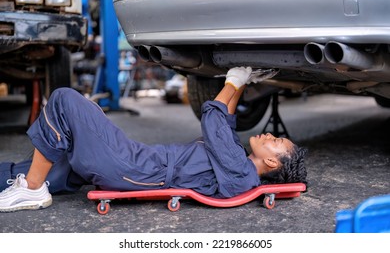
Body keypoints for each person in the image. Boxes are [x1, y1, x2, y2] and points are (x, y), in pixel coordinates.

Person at [0, 67, 307, 212]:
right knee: (37, 163)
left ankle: (32, 191)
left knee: (65, 101)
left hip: (132, 168)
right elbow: (225, 120)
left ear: (270, 162)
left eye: (277, 141)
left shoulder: (242, 174)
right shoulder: (237, 161)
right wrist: (244, 83)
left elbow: (212, 117)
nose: (270, 135)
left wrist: (232, 81)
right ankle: (26, 181)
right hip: (135, 162)